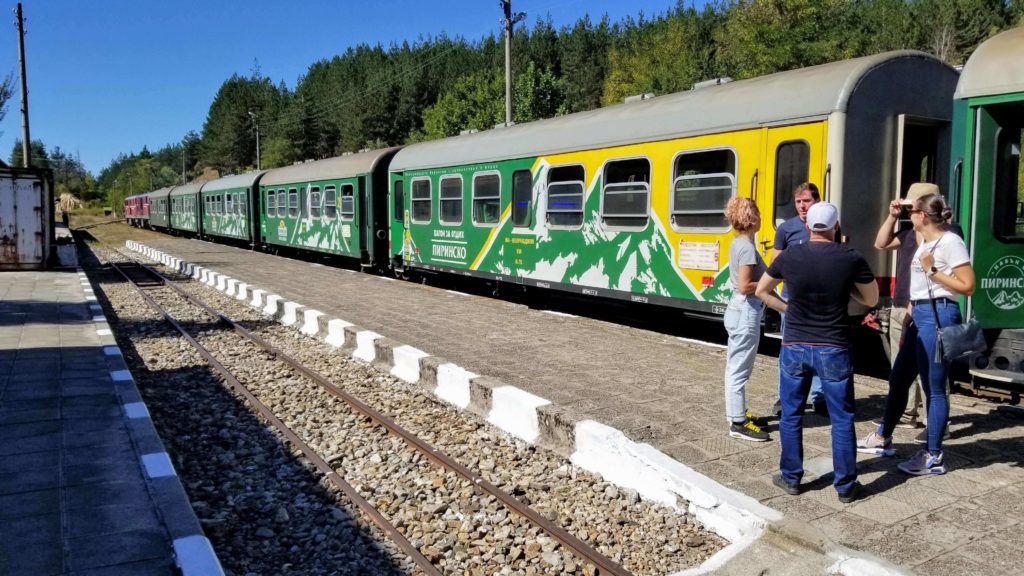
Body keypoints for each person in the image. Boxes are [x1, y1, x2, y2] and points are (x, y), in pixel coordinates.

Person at [756, 202, 878, 503]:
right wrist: (845, 285)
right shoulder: (851, 257)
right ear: (836, 227)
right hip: (833, 346)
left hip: (795, 344)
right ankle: (847, 487)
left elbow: (761, 290)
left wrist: (789, 308)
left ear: (808, 226)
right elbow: (871, 299)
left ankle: (791, 478)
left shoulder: (791, 255)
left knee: (792, 414)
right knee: (841, 417)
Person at [858, 193, 974, 475]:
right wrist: (910, 315)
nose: (910, 214)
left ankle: (933, 455)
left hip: (939, 315)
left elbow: (968, 285)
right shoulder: (923, 239)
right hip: (920, 314)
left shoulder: (950, 242)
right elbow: (883, 245)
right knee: (899, 378)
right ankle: (883, 437)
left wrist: (932, 270)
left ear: (923, 215)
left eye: (913, 210)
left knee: (935, 388)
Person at [723, 198, 783, 441]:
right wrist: (773, 279)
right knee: (739, 369)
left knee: (735, 366)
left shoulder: (738, 242)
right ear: (752, 217)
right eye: (757, 212)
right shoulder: (746, 247)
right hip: (746, 309)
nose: (760, 216)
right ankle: (737, 423)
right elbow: (746, 285)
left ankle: (737, 414)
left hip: (739, 309)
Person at [772, 183, 826, 415]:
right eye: (798, 202)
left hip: (820, 300)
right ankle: (786, 397)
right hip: (792, 299)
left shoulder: (827, 226)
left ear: (817, 201)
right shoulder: (786, 229)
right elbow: (776, 264)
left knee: (820, 351)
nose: (803, 206)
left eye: (807, 201)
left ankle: (820, 397)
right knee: (789, 350)